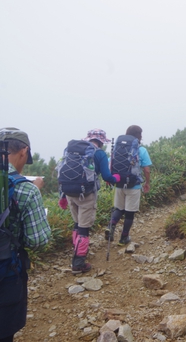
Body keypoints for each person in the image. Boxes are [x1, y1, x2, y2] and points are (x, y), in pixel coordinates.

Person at [0, 128, 51, 342]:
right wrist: (35, 191)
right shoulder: (27, 190)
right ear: (24, 151)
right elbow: (38, 240)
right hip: (6, 275)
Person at [58, 129, 119, 274]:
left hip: (69, 193)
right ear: (101, 142)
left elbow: (61, 172)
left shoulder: (72, 151)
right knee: (84, 227)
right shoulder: (99, 153)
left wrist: (62, 196)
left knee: (77, 223)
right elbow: (106, 176)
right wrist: (116, 178)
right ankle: (78, 263)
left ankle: (77, 249)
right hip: (86, 194)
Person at [106, 125, 151, 246]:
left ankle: (111, 225)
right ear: (138, 136)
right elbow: (146, 170)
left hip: (119, 184)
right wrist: (147, 183)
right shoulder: (141, 150)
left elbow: (110, 163)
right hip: (134, 185)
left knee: (119, 209)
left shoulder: (117, 148)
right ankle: (123, 238)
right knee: (129, 213)